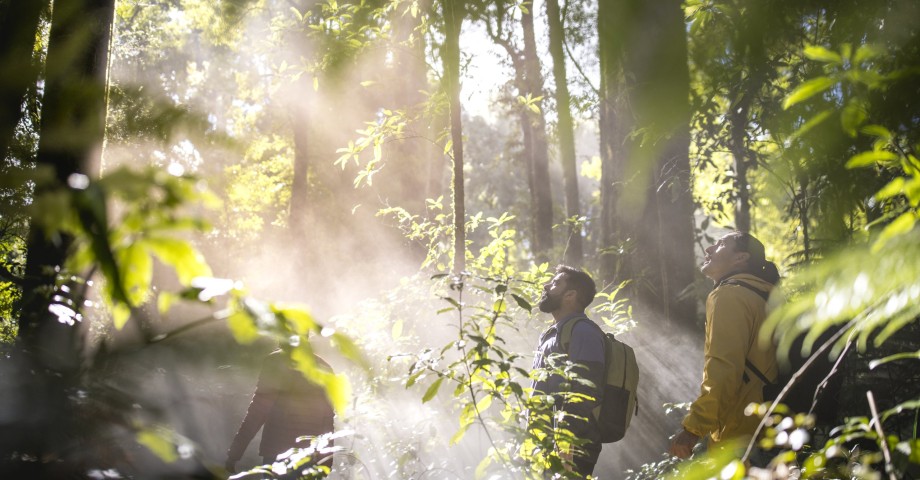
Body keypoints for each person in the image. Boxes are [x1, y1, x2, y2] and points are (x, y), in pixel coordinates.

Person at [669, 231, 781, 460]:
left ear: (741, 258)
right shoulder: (765, 296)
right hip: (776, 427)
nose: (709, 249)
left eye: (719, 244)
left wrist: (693, 429)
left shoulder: (730, 295)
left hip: (742, 436)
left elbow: (724, 368)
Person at [531, 265, 606, 477]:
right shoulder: (553, 333)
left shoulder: (584, 331)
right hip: (547, 445)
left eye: (555, 283)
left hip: (570, 447)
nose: (546, 285)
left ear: (570, 295)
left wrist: (565, 446)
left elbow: (586, 391)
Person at [225, 349, 335, 472]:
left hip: (276, 454)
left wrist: (234, 454)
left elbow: (257, 412)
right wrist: (326, 460)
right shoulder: (323, 367)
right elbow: (327, 419)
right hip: (310, 456)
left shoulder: (275, 362)